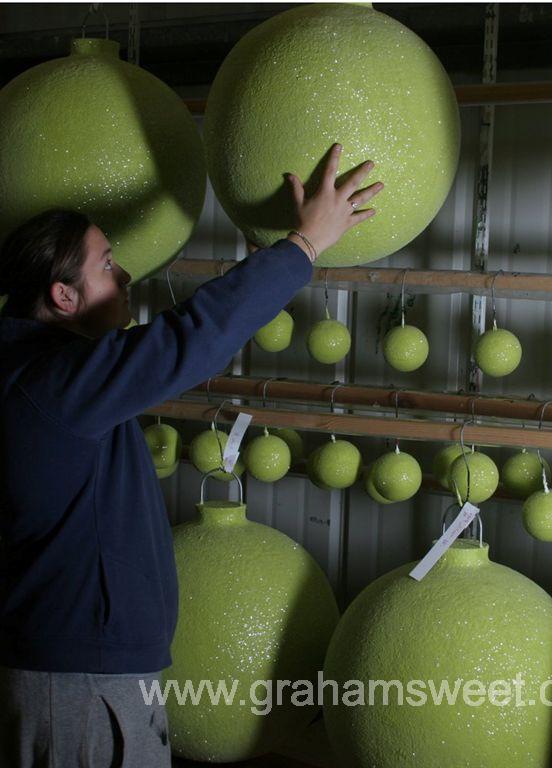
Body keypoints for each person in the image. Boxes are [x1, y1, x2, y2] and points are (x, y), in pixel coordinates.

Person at [0, 143, 382, 767]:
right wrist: (304, 245)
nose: (125, 277)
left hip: (80, 670)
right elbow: (191, 338)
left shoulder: (42, 375)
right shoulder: (52, 385)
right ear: (64, 297)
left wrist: (258, 276)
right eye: (106, 264)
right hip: (76, 681)